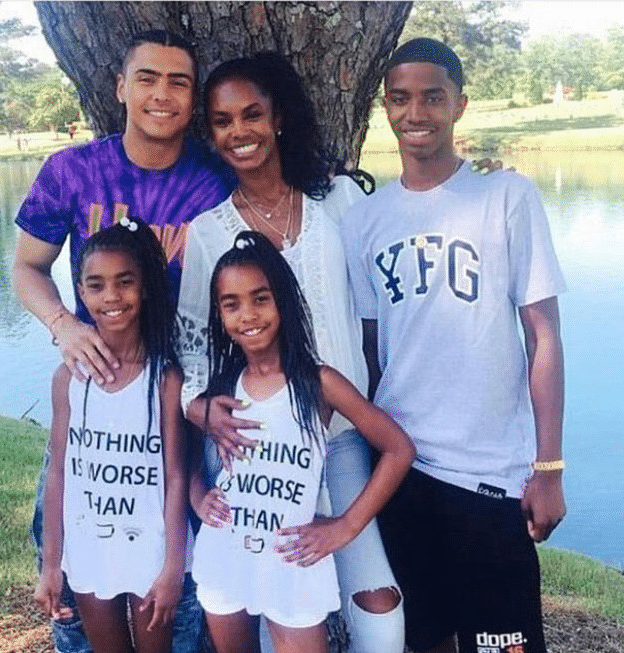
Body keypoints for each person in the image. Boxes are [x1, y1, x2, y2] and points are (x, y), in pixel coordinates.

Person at [341, 38, 567, 653]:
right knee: (424, 640)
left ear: (458, 105)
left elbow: (543, 334)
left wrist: (548, 467)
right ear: (385, 107)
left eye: (432, 97)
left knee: (503, 645)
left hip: (489, 475)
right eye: (400, 99)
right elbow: (371, 352)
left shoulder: (506, 197)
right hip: (404, 469)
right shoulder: (364, 220)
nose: (416, 113)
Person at [13, 30, 234, 653]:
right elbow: (27, 267)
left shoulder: (218, 183)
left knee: (185, 557)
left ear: (193, 98)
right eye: (147, 78)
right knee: (67, 537)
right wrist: (65, 325)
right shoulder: (72, 171)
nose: (162, 94)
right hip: (98, 390)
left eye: (178, 82)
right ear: (120, 87)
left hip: (180, 392)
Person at [177, 53, 406, 652]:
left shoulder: (339, 202)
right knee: (257, 596)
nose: (240, 131)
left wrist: (468, 189)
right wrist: (199, 408)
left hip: (342, 439)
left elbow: (387, 282)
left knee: (381, 613)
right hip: (253, 441)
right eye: (223, 121)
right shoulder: (208, 231)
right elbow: (191, 344)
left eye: (252, 114)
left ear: (278, 117)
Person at [188, 231, 414, 653]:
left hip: (292, 562)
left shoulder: (319, 382)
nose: (248, 314)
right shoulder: (221, 388)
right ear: (219, 315)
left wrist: (346, 526)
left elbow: (399, 449)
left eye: (260, 298)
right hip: (226, 553)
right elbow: (190, 459)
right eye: (231, 304)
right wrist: (198, 495)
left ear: (284, 301)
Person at [34, 218, 189, 653]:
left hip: (150, 549)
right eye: (96, 285)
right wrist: (51, 565)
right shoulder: (68, 378)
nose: (112, 297)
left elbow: (176, 476)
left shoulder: (165, 379)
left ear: (145, 287)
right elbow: (58, 474)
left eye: (125, 282)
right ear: (81, 293)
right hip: (89, 549)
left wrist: (173, 565)